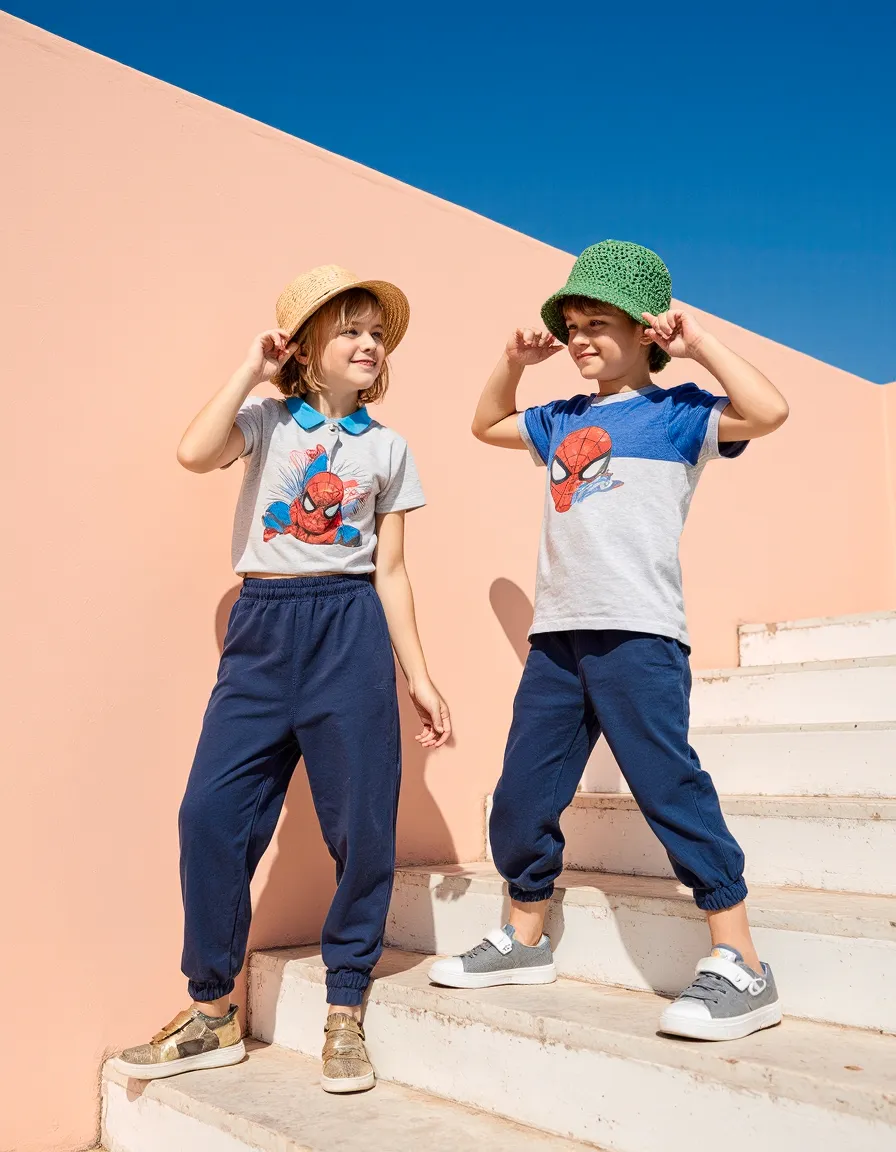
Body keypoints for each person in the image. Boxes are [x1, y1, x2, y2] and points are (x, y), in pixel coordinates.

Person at [429, 240, 788, 1042]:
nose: (580, 338)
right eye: (573, 325)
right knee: (522, 794)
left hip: (641, 636)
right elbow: (485, 423)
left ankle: (742, 962)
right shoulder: (562, 418)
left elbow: (768, 412)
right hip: (557, 640)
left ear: (645, 330)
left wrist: (699, 344)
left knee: (668, 787)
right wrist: (513, 363)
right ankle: (524, 937)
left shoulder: (682, 413)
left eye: (598, 323)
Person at [115, 265, 450, 1091]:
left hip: (349, 630)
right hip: (262, 631)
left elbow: (392, 571)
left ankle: (345, 1008)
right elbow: (193, 452)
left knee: (362, 825)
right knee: (209, 814)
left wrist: (419, 674)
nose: (369, 344)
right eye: (350, 330)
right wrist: (251, 370)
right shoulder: (265, 422)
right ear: (304, 349)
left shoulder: (388, 448)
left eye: (376, 333)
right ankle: (212, 1011)